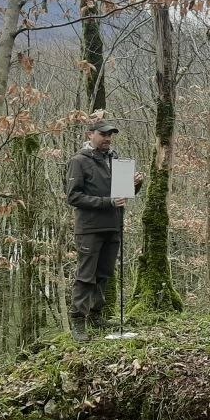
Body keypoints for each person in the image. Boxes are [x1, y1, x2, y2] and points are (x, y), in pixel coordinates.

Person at [66, 119, 144, 342]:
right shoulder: (79, 161)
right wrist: (106, 202)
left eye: (110, 135)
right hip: (89, 228)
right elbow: (73, 196)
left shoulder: (115, 159)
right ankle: (78, 322)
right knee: (86, 276)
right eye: (103, 134)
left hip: (113, 225)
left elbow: (122, 195)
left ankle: (96, 316)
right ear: (90, 134)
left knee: (104, 274)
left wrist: (135, 184)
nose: (107, 138)